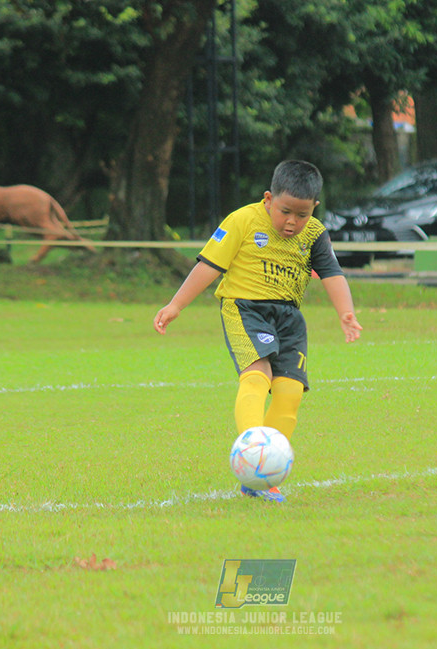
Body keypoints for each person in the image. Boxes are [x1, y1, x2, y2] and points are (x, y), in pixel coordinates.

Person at [153, 160, 362, 502]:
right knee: (257, 376)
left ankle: (260, 478)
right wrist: (176, 305)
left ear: (315, 209)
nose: (292, 222)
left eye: (302, 214)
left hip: (289, 317)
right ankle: (254, 460)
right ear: (268, 199)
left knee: (291, 391)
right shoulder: (243, 220)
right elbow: (209, 266)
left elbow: (332, 274)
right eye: (285, 212)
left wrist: (346, 312)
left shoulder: (315, 234)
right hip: (245, 308)